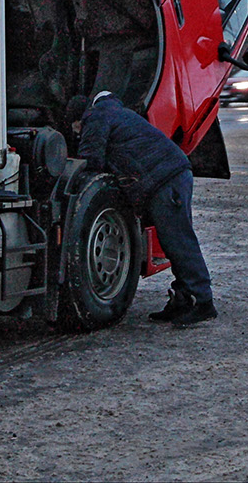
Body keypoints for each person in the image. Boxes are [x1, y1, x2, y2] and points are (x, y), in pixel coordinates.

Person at [68, 91, 216, 327]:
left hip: (166, 180)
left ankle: (202, 301)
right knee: (173, 241)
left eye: (76, 127)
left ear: (80, 117)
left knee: (179, 241)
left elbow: (91, 159)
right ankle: (184, 300)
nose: (77, 131)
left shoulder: (96, 117)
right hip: (171, 176)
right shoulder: (118, 112)